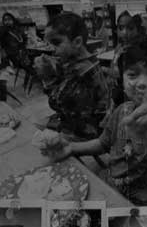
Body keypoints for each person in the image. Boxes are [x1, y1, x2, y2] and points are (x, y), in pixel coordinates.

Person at [41, 42, 147, 205]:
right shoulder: (122, 110)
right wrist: (72, 147)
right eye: (132, 75)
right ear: (122, 81)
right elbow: (103, 143)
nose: (141, 83)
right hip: (112, 191)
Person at [37, 11, 117, 142]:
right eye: (48, 43)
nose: (51, 48)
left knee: (37, 137)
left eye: (56, 43)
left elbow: (56, 104)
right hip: (82, 118)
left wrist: (47, 77)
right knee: (39, 126)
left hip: (88, 130)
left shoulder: (82, 71)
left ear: (77, 42)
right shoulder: (84, 61)